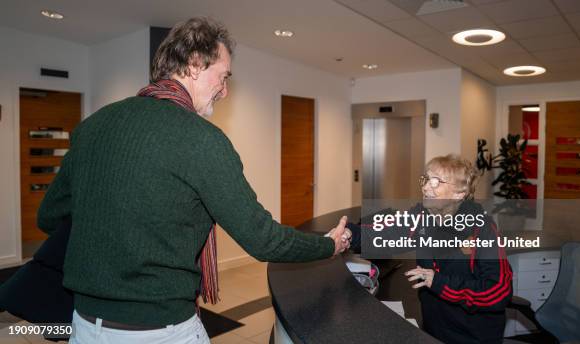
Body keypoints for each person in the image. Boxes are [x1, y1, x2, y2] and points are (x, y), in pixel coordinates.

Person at [36, 17, 350, 344]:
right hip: (161, 331)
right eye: (224, 76)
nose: (225, 91)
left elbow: (49, 217)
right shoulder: (202, 140)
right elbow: (263, 239)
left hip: (85, 327)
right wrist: (328, 244)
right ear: (196, 65)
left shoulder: (92, 127)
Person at [404, 155, 513, 344]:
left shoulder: (482, 229)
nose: (425, 187)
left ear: (459, 193)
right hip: (433, 330)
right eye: (426, 179)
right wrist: (346, 235)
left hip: (471, 337)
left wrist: (439, 282)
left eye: (436, 182)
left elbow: (499, 291)